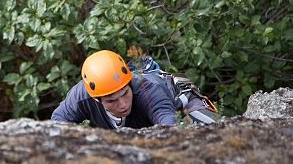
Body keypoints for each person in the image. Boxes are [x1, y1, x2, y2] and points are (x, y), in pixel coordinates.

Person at [51, 50, 218, 129]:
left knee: (213, 131)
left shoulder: (149, 91)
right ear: (96, 99)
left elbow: (169, 128)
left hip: (183, 103)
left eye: (125, 94)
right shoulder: (81, 97)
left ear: (130, 84)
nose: (122, 104)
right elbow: (57, 124)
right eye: (112, 101)